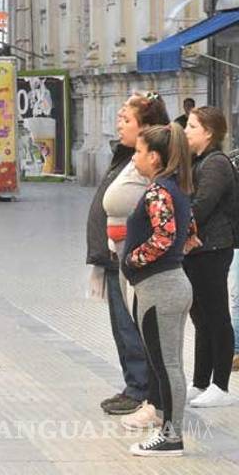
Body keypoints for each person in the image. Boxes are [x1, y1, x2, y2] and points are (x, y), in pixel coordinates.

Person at [122, 123, 197, 457]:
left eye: (139, 152)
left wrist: (133, 260)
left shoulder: (158, 191)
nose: (135, 157)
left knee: (167, 365)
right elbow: (191, 233)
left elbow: (164, 238)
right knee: (169, 363)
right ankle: (168, 426)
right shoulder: (177, 188)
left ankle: (171, 437)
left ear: (154, 156)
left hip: (160, 289)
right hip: (172, 284)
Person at [96, 93, 166, 426]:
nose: (118, 123)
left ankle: (145, 392)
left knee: (134, 324)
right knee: (122, 324)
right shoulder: (128, 155)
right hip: (115, 253)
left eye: (126, 119)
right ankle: (135, 386)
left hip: (134, 258)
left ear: (147, 128)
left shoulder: (152, 163)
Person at [182, 106, 237, 407]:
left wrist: (179, 229)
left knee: (216, 315)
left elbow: (201, 206)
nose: (186, 131)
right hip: (198, 249)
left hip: (212, 248)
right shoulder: (199, 161)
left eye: (191, 126)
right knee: (201, 316)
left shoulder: (215, 164)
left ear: (208, 132)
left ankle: (221, 385)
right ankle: (201, 381)